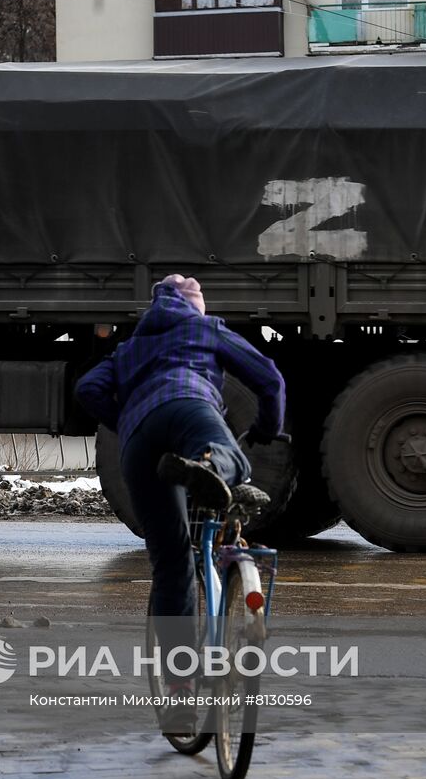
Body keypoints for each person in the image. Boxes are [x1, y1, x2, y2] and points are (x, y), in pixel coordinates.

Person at [75, 274, 285, 727]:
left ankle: (180, 692)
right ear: (196, 306)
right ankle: (212, 468)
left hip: (138, 443)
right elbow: (268, 377)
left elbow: (87, 389)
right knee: (235, 461)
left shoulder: (128, 348)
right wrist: (268, 426)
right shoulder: (204, 329)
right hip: (190, 405)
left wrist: (126, 420)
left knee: (172, 565)